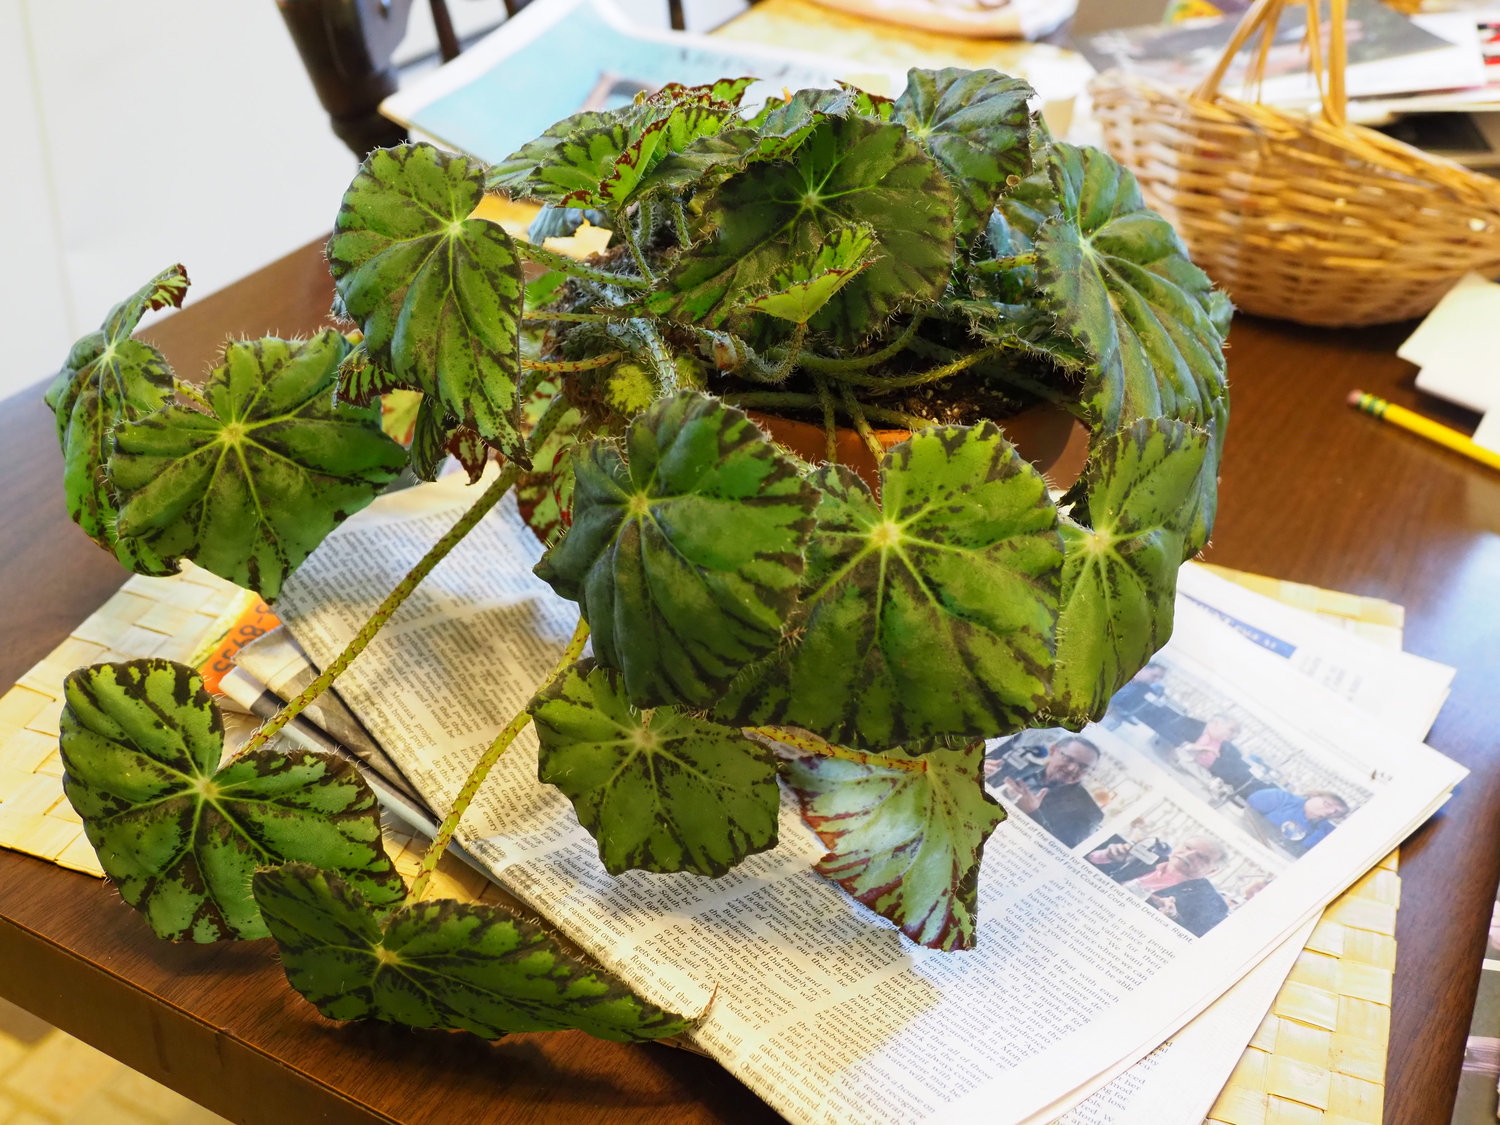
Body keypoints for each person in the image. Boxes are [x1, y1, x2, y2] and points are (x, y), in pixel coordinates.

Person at [1088, 834, 1230, 937]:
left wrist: (1173, 917)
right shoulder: (1143, 856)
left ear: (1212, 870)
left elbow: (1195, 942)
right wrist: (1105, 857)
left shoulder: (1212, 903)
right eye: (1187, 847)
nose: (1189, 855)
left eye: (1201, 857)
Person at [986, 735, 1103, 848]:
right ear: (1053, 751)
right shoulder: (1017, 767)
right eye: (1068, 759)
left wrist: (1033, 813)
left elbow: (1060, 853)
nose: (1072, 769)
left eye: (1084, 767)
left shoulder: (1090, 813)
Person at [1171, 714, 1256, 794]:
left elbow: (1227, 777)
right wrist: (1188, 746)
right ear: (1216, 723)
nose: (1235, 736)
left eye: (1237, 734)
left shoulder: (1231, 752)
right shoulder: (1188, 724)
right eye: (1232, 730)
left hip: (1195, 786)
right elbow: (1164, 731)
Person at [1246, 787, 1349, 852]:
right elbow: (1247, 810)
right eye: (1328, 804)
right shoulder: (1279, 797)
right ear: (1314, 796)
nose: (1331, 811)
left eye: (1337, 812)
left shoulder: (1327, 833)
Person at [1104, 664, 1166, 728]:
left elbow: (1130, 712)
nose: (1156, 680)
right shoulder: (1119, 673)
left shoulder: (1144, 691)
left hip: (1109, 721)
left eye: (1160, 678)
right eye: (1154, 676)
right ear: (1143, 669)